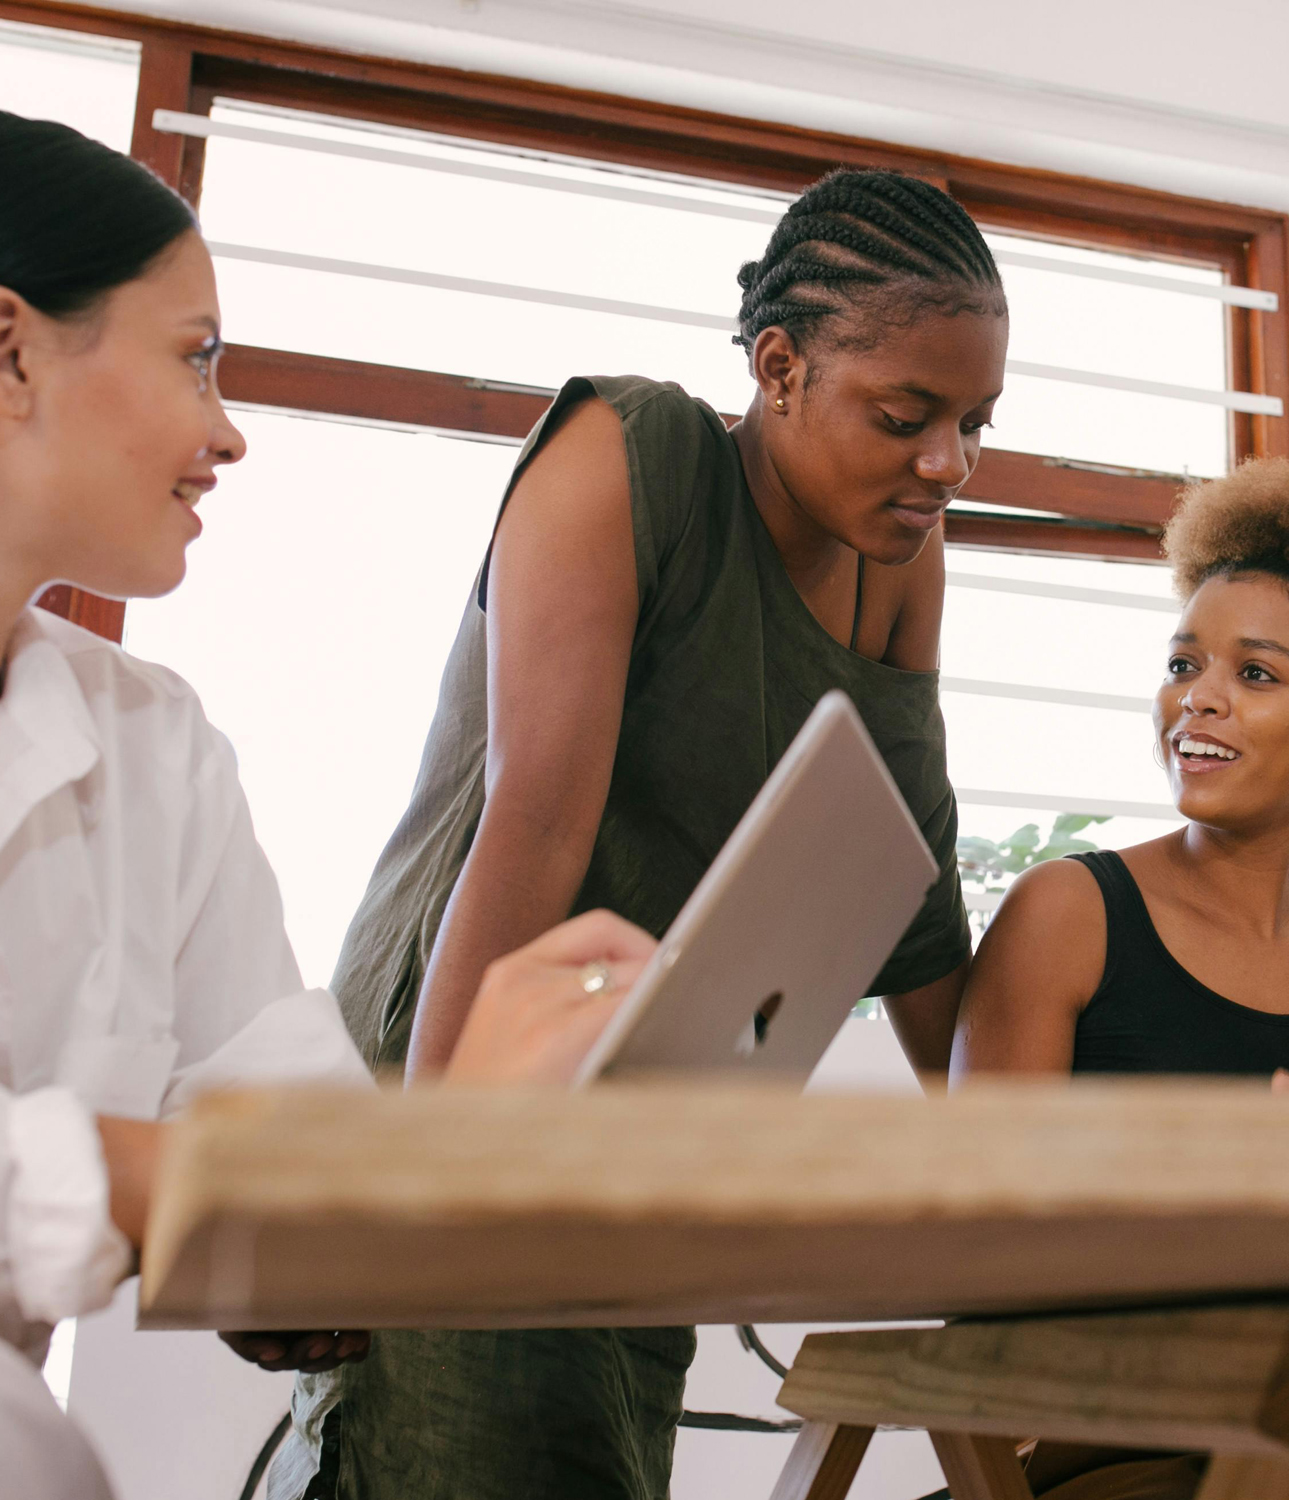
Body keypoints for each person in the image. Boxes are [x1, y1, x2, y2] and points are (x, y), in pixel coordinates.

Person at [0, 106, 657, 1500]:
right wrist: (206, 1184)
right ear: (6, 351)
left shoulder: (155, 749)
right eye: (196, 360)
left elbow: (278, 1142)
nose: (229, 432)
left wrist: (450, 1150)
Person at [282, 171, 1010, 1499]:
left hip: (649, 1116)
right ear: (779, 368)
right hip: (464, 1069)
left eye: (975, 424)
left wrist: (1030, 1157)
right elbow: (535, 829)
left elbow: (911, 886)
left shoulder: (903, 556)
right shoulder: (630, 455)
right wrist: (417, 1192)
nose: (946, 463)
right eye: (906, 417)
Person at [951, 456, 1289, 1499]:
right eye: (1182, 663)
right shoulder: (1067, 917)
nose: (1195, 701)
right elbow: (977, 1246)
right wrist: (1263, 1212)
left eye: (1254, 675)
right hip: (1119, 1447)